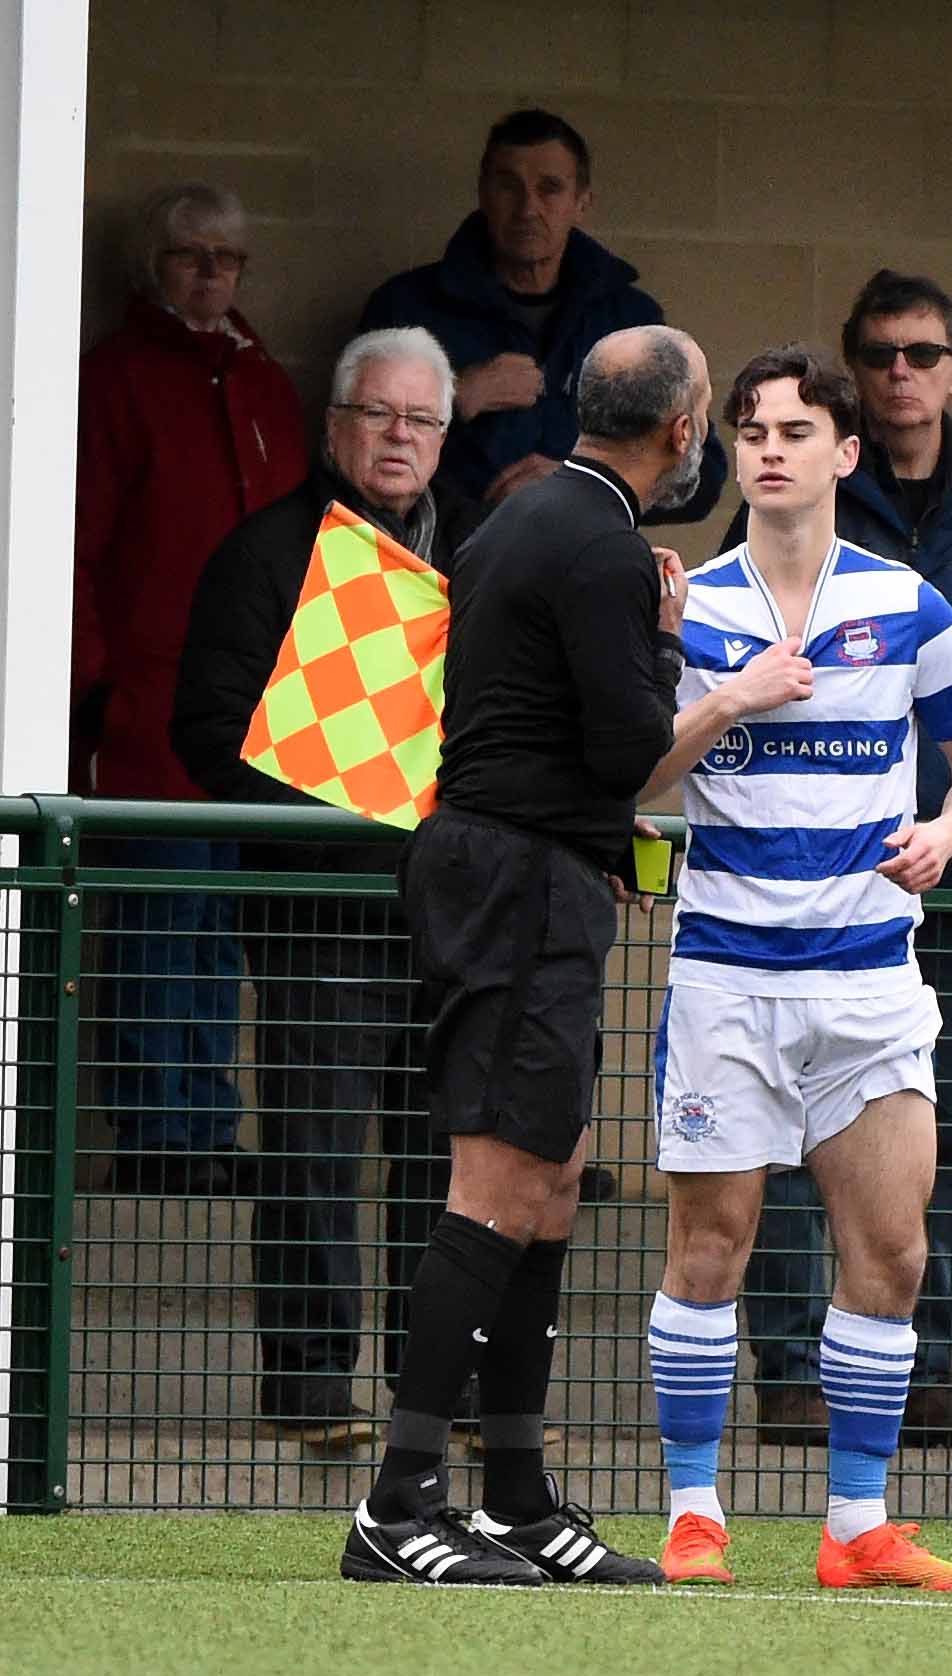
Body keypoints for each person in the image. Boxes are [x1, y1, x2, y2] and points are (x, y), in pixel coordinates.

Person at [341, 324, 757, 1587]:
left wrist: (595, 835)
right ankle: (396, 1506)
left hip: (517, 868)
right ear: (680, 430)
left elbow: (527, 734)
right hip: (517, 888)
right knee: (497, 1184)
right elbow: (627, 749)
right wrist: (685, 655)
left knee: (556, 1177)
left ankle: (517, 1499)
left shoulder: (513, 520)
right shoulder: (606, 549)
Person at [645, 343, 952, 1590]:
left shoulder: (909, 604)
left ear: (844, 453)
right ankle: (693, 1516)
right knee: (710, 1249)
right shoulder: (689, 604)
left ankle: (856, 1526)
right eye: (749, 430)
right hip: (725, 978)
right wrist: (726, 700)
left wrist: (944, 835)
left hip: (867, 981)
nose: (769, 449)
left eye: (795, 431)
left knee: (891, 1253)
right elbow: (629, 771)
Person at [729, 274, 952, 1456]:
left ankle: (923, 1370)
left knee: (937, 1125)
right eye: (877, 353)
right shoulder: (796, 497)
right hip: (809, 877)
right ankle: (792, 1373)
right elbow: (730, 684)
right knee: (794, 1120)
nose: (898, 372)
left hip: (951, 881)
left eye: (921, 353)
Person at [172, 326, 480, 1445]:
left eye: (421, 419)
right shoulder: (265, 554)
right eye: (377, 414)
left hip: (449, 911)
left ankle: (431, 1393)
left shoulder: (477, 555)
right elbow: (207, 729)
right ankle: (308, 1390)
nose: (399, 436)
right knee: (312, 1150)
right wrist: (351, 798)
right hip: (318, 908)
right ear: (335, 423)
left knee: (442, 1161)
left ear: (443, 437)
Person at [73, 182, 308, 1196]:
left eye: (228, 257)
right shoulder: (115, 378)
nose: (211, 272)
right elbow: (77, 545)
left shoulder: (264, 384)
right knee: (157, 916)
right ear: (153, 266)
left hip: (259, 711)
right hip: (149, 702)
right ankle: (156, 1132)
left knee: (220, 927)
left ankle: (207, 1123)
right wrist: (91, 684)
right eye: (189, 255)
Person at [358, 106, 726, 525]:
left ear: (581, 203)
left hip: (583, 555)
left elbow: (703, 476)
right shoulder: (407, 308)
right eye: (508, 187)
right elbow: (349, 455)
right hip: (438, 554)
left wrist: (586, 484)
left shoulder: (629, 321)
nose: (527, 208)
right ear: (483, 193)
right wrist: (450, 398)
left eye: (549, 189)